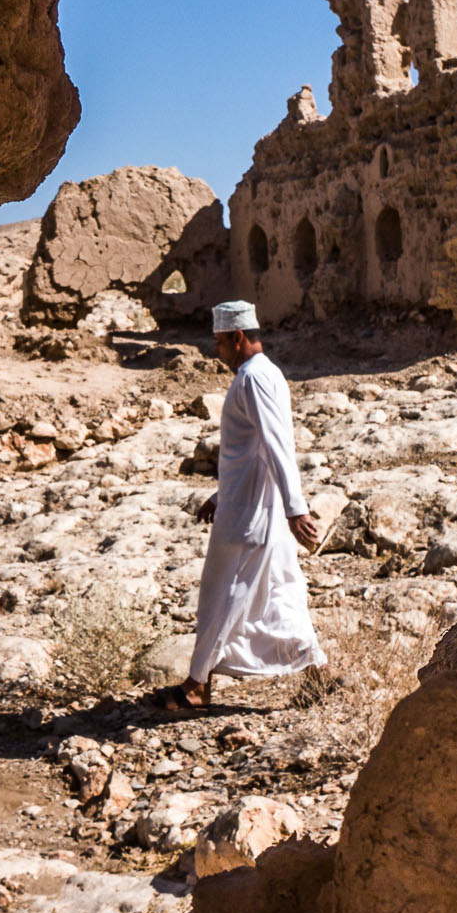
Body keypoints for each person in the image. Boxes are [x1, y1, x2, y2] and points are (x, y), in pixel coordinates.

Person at [146, 300, 325, 710]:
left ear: (238, 337)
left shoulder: (254, 378)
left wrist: (296, 509)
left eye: (219, 342)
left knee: (225, 594)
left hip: (251, 515)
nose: (216, 351)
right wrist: (220, 495)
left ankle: (196, 686)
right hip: (250, 504)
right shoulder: (262, 374)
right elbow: (249, 450)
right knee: (279, 592)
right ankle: (318, 673)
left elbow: (276, 444)